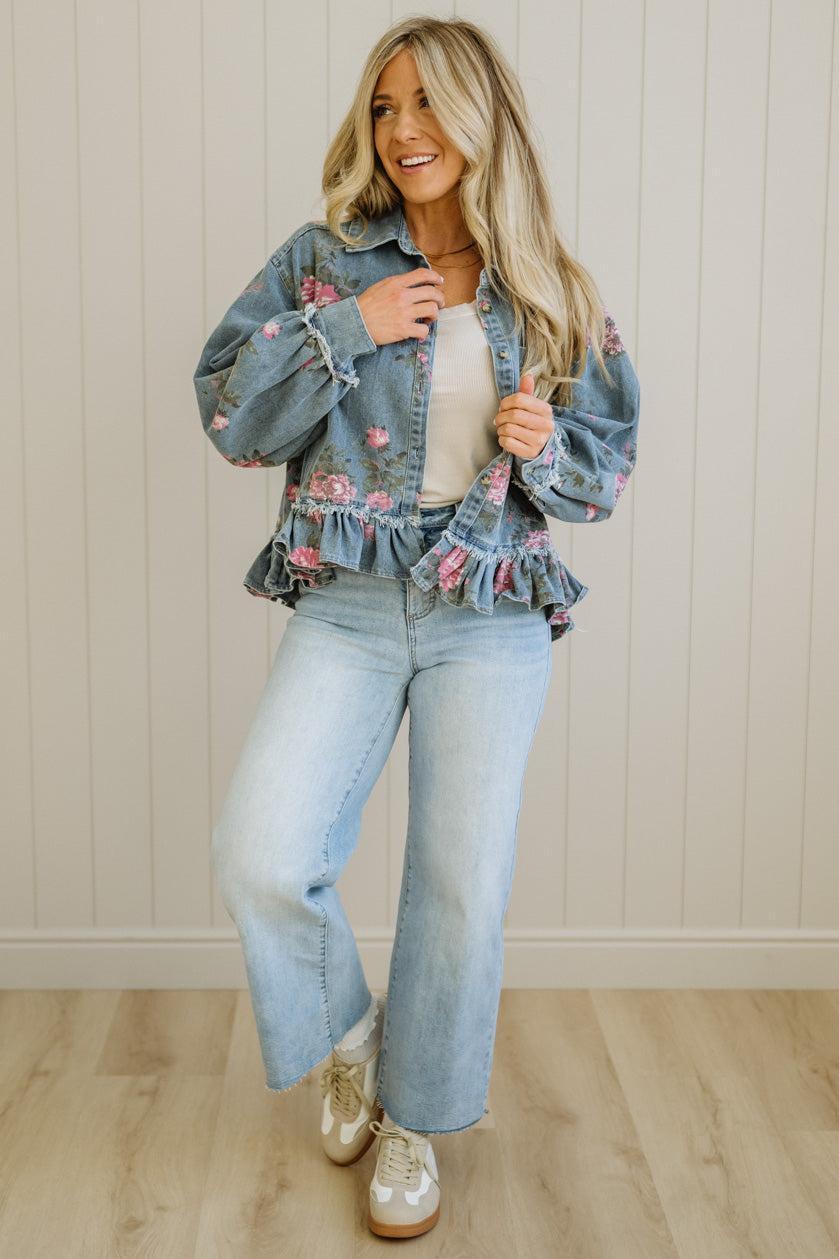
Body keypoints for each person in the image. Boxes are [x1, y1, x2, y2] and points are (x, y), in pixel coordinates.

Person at [192, 15, 640, 1241]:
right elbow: (228, 409)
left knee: (456, 884)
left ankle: (412, 1120)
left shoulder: (549, 282)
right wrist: (351, 324)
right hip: (344, 597)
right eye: (384, 107)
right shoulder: (323, 263)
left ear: (477, 116)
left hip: (484, 605)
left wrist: (543, 454)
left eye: (427, 105)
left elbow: (605, 472)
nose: (402, 132)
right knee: (260, 852)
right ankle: (352, 1041)